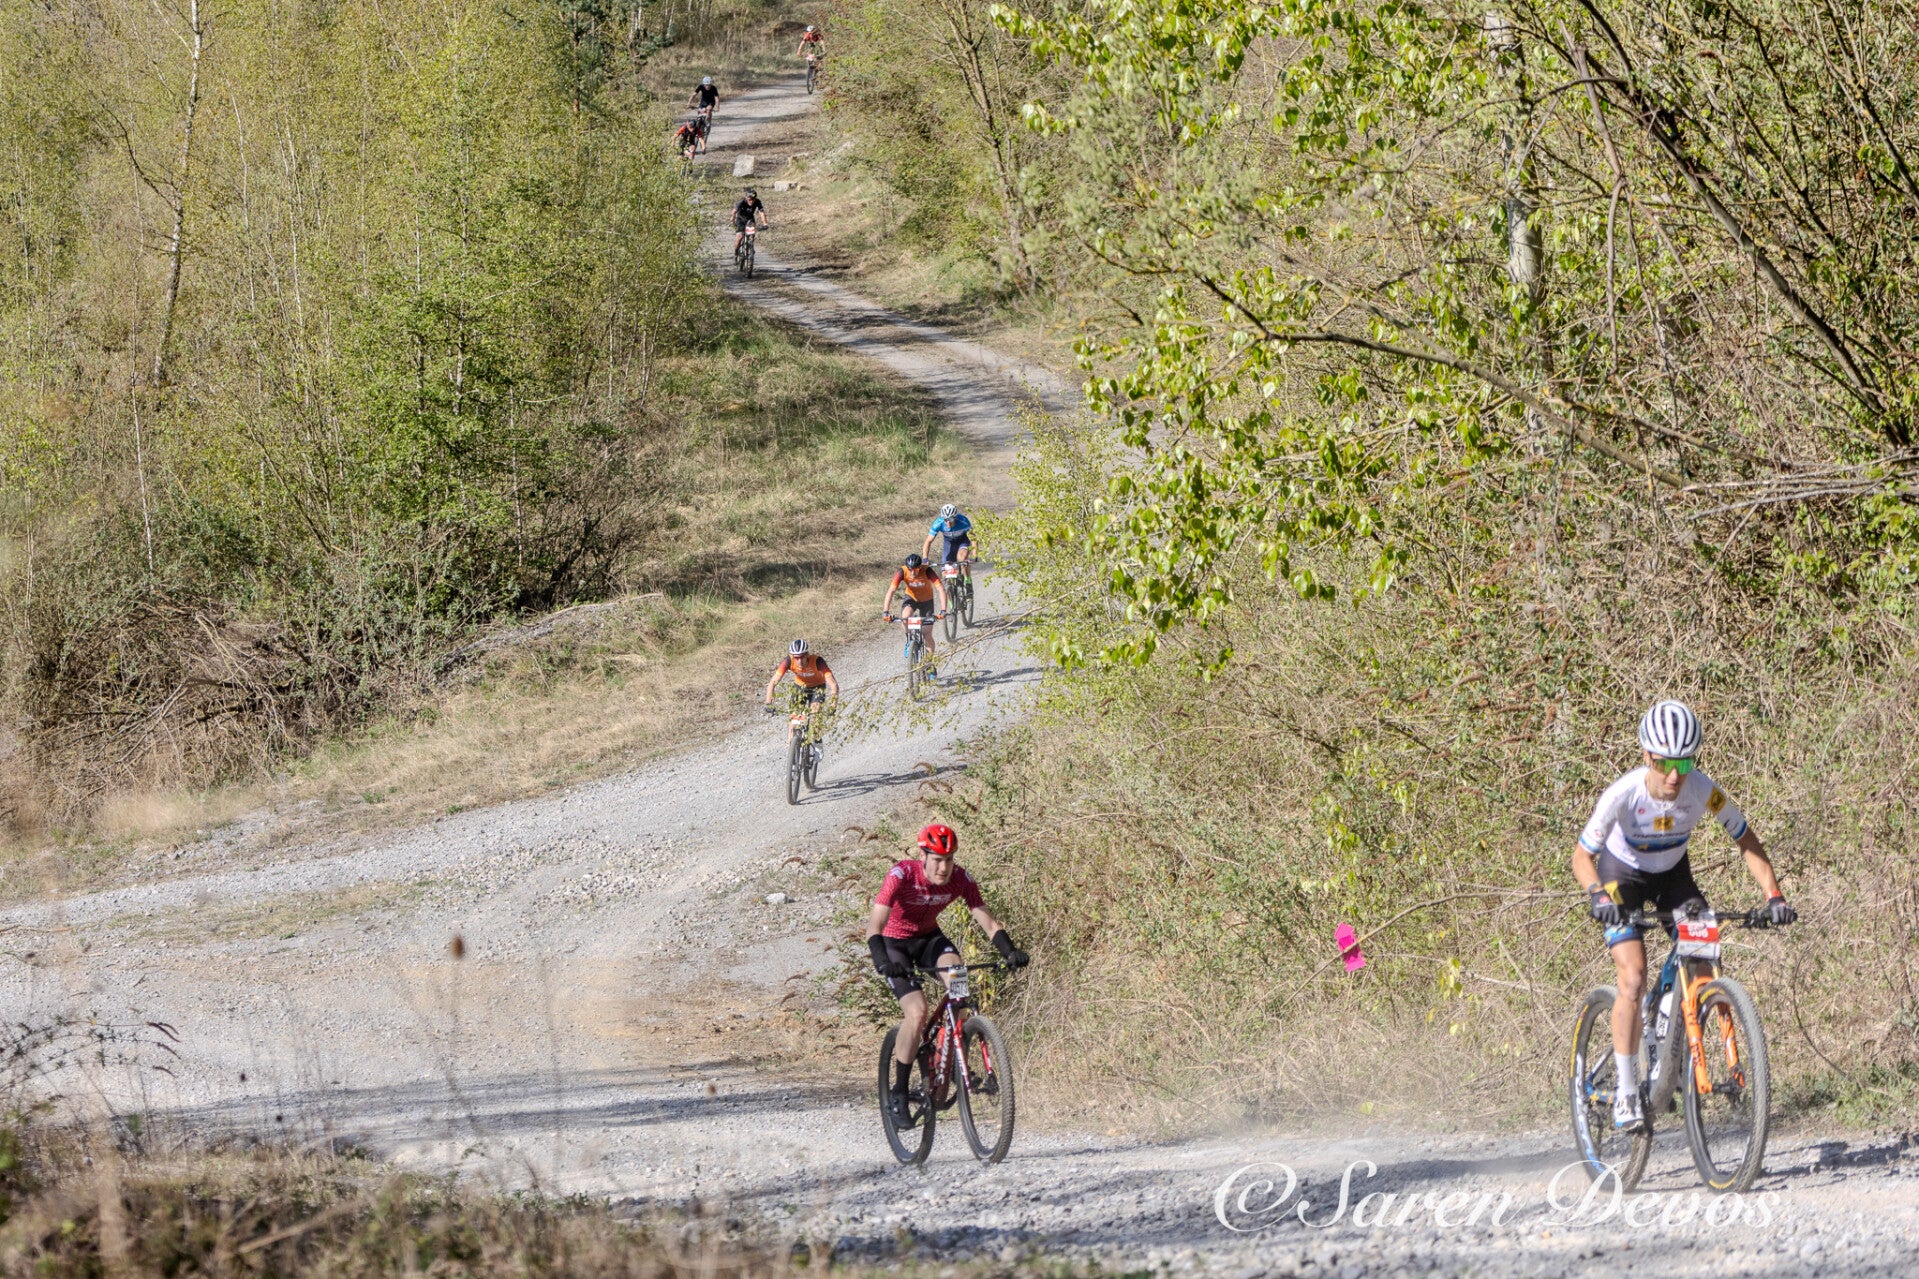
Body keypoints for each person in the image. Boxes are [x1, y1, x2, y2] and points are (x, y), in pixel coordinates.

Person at [1571, 700, 1794, 1131]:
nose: (1675, 775)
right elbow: (1582, 857)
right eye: (1665, 763)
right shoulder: (1623, 794)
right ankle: (1627, 1091)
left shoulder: (1703, 790)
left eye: (1685, 763)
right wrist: (1597, 895)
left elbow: (1746, 840)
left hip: (1673, 876)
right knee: (1633, 977)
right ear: (1646, 756)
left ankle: (1670, 1039)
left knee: (1704, 954)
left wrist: (1774, 896)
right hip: (1621, 878)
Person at [867, 822, 1028, 1122]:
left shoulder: (961, 879)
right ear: (923, 856)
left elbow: (988, 922)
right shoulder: (901, 875)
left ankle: (953, 1059)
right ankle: (899, 1092)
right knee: (917, 1012)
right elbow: (874, 926)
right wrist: (882, 961)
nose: (944, 868)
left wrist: (1010, 952)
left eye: (949, 860)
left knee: (959, 981)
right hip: (894, 945)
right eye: (937, 860)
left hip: (929, 940)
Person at [762, 638, 838, 742]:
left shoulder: (818, 661)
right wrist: (768, 702)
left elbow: (833, 684)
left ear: (807, 654)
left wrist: (833, 706)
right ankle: (792, 746)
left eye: (802, 657)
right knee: (794, 721)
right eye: (796, 657)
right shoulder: (788, 661)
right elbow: (773, 682)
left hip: (817, 688)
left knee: (815, 716)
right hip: (800, 687)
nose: (799, 661)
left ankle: (817, 744)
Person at [881, 552, 947, 660]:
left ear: (920, 567)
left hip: (927, 601)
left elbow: (940, 588)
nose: (912, 572)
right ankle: (908, 640)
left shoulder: (927, 570)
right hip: (911, 599)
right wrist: (885, 612)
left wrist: (943, 610)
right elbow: (891, 590)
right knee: (905, 617)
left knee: (927, 633)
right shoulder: (902, 571)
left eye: (915, 569)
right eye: (910, 569)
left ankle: (930, 662)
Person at [921, 503, 974, 580]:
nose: (948, 522)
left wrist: (975, 556)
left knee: (962, 559)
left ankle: (968, 580)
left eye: (950, 519)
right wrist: (925, 559)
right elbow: (928, 541)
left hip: (963, 541)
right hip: (949, 544)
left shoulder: (963, 521)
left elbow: (973, 539)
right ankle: (951, 585)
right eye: (946, 520)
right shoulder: (938, 523)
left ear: (955, 517)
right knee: (945, 574)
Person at [733, 188, 767, 259]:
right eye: (750, 199)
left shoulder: (757, 201)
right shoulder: (742, 201)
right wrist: (732, 220)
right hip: (740, 219)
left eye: (753, 199)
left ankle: (750, 247)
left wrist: (765, 223)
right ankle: (736, 251)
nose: (751, 201)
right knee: (740, 236)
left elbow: (761, 212)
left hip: (750, 219)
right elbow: (734, 211)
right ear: (746, 198)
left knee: (751, 235)